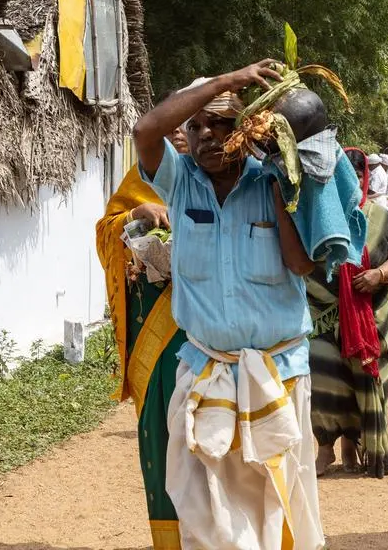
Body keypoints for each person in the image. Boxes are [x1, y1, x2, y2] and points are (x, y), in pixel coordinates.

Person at [133, 61, 324, 550]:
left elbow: (301, 265)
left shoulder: (274, 181)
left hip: (277, 373)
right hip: (204, 371)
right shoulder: (178, 183)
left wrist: (281, 184)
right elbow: (145, 129)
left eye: (220, 123)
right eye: (195, 127)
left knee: (275, 507)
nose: (205, 137)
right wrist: (219, 85)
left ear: (245, 128)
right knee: (203, 509)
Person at [96, 120, 190, 548]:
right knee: (159, 427)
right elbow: (105, 231)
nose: (182, 136)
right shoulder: (140, 178)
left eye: (193, 127)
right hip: (150, 324)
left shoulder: (219, 176)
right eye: (173, 129)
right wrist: (137, 214)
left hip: (201, 329)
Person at [306, 149, 388, 479]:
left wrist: (378, 275)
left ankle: (352, 444)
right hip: (321, 313)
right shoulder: (311, 216)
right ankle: (325, 448)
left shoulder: (378, 217)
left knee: (363, 375)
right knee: (323, 380)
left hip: (369, 315)